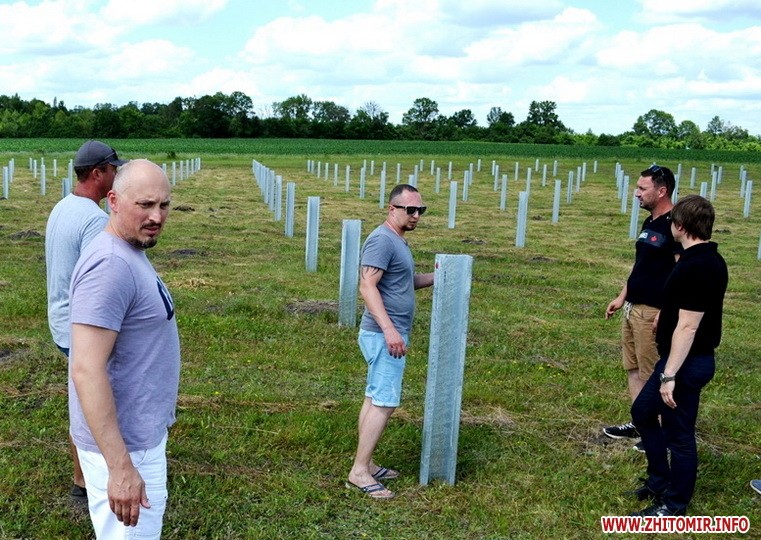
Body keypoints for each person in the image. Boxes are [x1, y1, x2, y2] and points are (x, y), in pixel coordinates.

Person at [69, 159, 180, 538]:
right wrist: (120, 468)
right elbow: (86, 369)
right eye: (145, 205)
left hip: (137, 437)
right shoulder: (110, 266)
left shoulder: (128, 250)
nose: (156, 216)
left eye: (164, 205)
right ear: (113, 201)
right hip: (125, 448)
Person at [629, 195, 728, 517]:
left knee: (679, 435)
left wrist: (669, 375)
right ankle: (659, 481)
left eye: (673, 221)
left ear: (681, 226)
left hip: (687, 362)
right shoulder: (697, 259)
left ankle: (674, 504)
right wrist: (665, 313)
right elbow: (682, 307)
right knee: (643, 412)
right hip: (677, 360)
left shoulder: (699, 266)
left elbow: (688, 326)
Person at [45, 140, 126, 507]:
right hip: (82, 326)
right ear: (97, 173)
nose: (117, 175)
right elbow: (101, 282)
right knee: (94, 403)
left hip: (61, 319)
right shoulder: (94, 221)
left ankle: (82, 479)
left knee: (81, 398)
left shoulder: (63, 206)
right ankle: (91, 480)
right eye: (113, 169)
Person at [346, 184, 434, 499]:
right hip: (384, 334)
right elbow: (367, 286)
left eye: (420, 210)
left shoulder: (397, 240)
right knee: (385, 402)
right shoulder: (382, 240)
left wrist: (439, 275)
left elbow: (402, 282)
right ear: (392, 208)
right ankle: (359, 472)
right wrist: (390, 330)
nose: (416, 215)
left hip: (387, 333)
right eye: (409, 209)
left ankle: (366, 463)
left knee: (374, 398)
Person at [604, 165, 680, 452]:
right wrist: (622, 296)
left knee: (651, 372)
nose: (636, 193)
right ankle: (641, 423)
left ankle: (658, 432)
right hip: (633, 307)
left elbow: (680, 273)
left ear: (661, 191)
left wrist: (666, 310)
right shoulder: (650, 222)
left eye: (641, 188)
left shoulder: (676, 224)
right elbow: (641, 265)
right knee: (633, 367)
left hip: (653, 312)